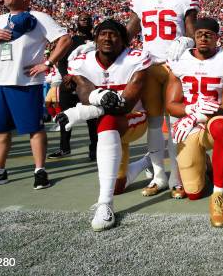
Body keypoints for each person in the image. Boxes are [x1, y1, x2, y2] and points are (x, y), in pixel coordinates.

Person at [0, 0, 71, 190]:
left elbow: (65, 39)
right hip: (0, 83)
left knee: (34, 129)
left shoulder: (39, 18)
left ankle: (40, 171)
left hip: (26, 83)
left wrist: (47, 64)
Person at [56, 19, 152, 231]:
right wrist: (95, 99)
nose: (107, 38)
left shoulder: (135, 59)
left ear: (123, 40)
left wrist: (81, 112)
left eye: (114, 34)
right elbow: (84, 94)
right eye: (103, 34)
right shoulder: (83, 61)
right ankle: (146, 162)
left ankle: (104, 204)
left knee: (107, 119)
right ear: (96, 38)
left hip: (134, 119)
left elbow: (124, 105)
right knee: (117, 186)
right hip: (109, 128)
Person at [126, 0, 199, 198]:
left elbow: (192, 31)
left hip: (174, 67)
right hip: (149, 67)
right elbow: (129, 32)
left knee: (177, 124)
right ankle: (159, 176)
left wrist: (187, 41)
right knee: (155, 125)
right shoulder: (141, 0)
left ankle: (177, 177)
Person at [165, 17, 223, 227]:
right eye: (200, 34)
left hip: (211, 122)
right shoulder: (181, 63)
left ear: (217, 38)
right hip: (188, 126)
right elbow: (171, 105)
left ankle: (218, 196)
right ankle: (206, 164)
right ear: (194, 37)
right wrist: (189, 109)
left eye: (209, 34)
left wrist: (196, 115)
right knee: (193, 193)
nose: (204, 38)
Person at [48, 14, 98, 160]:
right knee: (65, 116)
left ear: (92, 22)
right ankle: (64, 148)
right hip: (70, 83)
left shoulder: (97, 39)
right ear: (76, 23)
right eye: (82, 19)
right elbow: (61, 60)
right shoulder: (71, 40)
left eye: (88, 19)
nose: (85, 20)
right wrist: (65, 76)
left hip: (89, 83)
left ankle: (94, 148)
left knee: (92, 118)